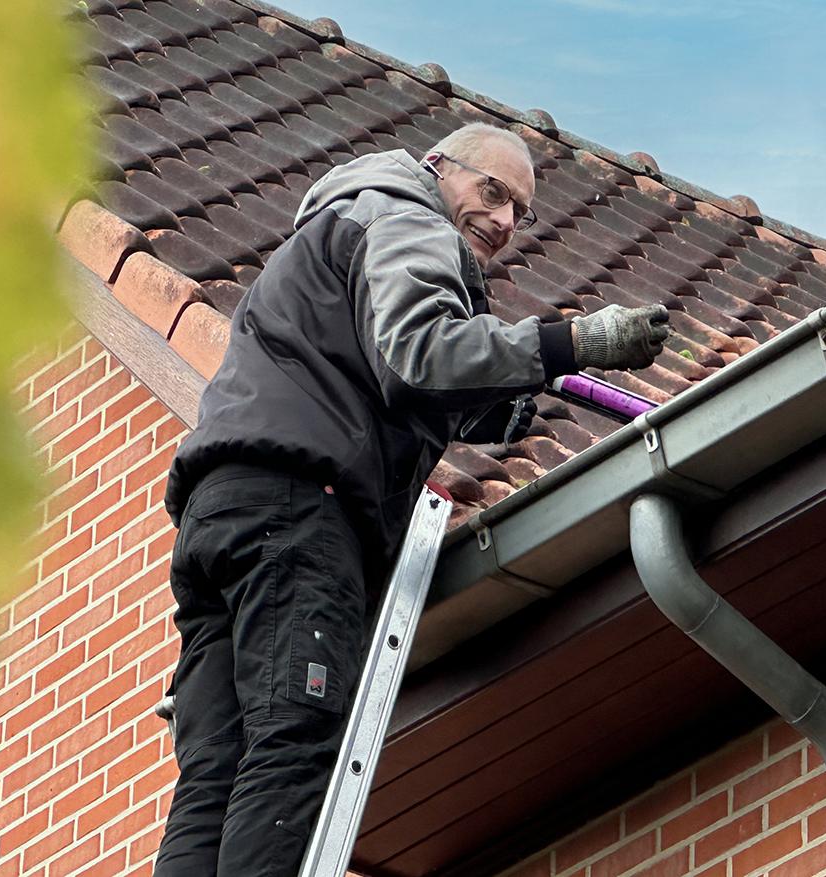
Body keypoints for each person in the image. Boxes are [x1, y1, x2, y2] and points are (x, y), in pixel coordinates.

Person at [153, 122, 671, 876]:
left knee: (213, 772)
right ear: (438, 169)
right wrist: (571, 343)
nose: (503, 220)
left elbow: (382, 371)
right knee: (292, 739)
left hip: (219, 515)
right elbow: (419, 354)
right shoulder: (408, 217)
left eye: (519, 212)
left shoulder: (339, 227)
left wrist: (500, 405)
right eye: (492, 192)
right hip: (300, 512)